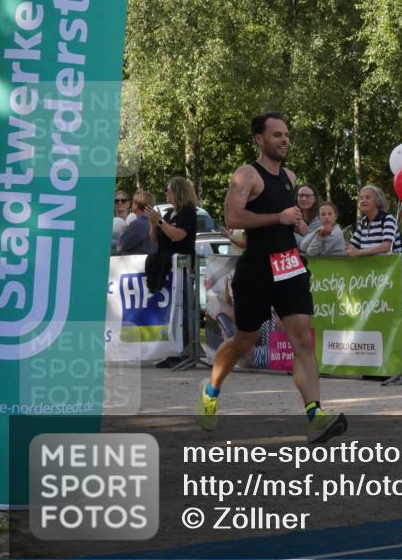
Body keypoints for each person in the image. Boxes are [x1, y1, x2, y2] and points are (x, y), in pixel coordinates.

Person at [198, 112, 347, 444]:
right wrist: (277, 217)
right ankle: (211, 390)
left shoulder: (291, 177)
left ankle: (314, 415)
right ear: (259, 139)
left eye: (287, 135)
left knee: (303, 339)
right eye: (277, 134)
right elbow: (233, 216)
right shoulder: (246, 175)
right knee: (244, 341)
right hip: (256, 268)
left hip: (288, 265)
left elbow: (282, 216)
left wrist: (293, 224)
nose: (284, 140)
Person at [146, 177, 199, 368]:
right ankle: (174, 350)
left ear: (178, 191)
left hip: (183, 267)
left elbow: (177, 236)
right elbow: (155, 239)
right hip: (168, 267)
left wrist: (159, 221)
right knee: (172, 310)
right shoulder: (169, 213)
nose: (166, 193)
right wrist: (154, 223)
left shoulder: (188, 213)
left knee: (184, 308)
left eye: (168, 190)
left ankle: (186, 351)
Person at [346, 185, 402, 257]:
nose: (363, 200)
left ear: (377, 201)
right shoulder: (363, 222)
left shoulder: (387, 219)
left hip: (390, 267)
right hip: (370, 267)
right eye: (361, 198)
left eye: (367, 197)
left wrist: (359, 252)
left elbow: (386, 247)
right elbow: (352, 245)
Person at [116, 190, 156, 256]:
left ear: (136, 205)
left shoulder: (138, 224)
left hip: (136, 262)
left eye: (133, 202)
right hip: (150, 260)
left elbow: (120, 247)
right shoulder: (155, 222)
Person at [294, 184, 322, 253]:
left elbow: (310, 246)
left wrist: (287, 234)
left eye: (308, 196)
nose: (304, 199)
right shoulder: (292, 214)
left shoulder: (321, 218)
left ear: (315, 199)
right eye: (301, 195)